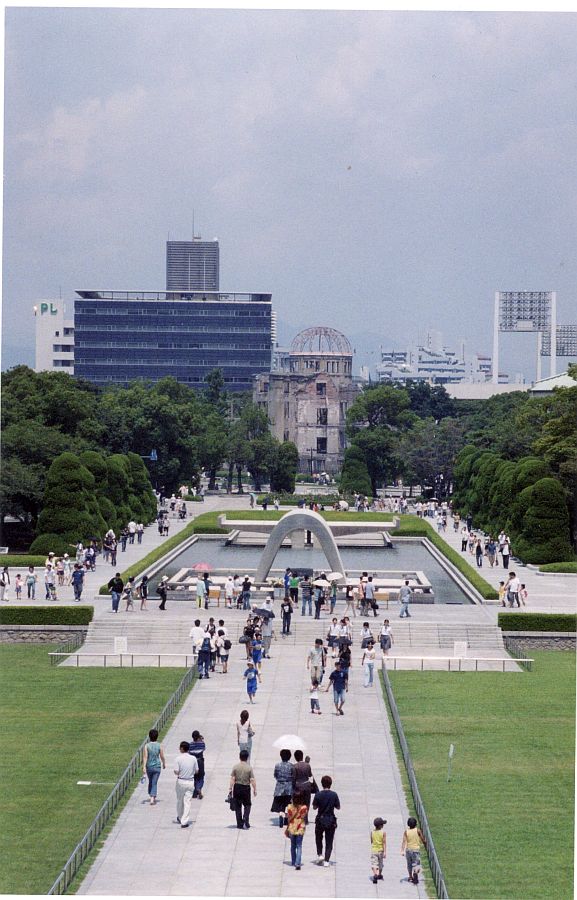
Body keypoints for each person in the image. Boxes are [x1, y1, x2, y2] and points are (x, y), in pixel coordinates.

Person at [312, 774, 340, 866]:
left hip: (320, 819)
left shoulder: (318, 794)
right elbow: (338, 807)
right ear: (330, 784)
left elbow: (314, 807)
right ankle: (327, 860)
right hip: (330, 820)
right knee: (329, 840)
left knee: (318, 838)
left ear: (322, 784)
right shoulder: (334, 795)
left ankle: (320, 854)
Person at [230, 749, 257, 830]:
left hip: (237, 787)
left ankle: (239, 823)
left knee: (238, 806)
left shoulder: (235, 767)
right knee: (247, 805)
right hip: (246, 788)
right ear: (247, 757)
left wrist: (230, 789)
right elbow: (252, 780)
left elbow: (232, 779)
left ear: (240, 757)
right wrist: (255, 789)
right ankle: (245, 817)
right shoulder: (249, 768)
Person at [174, 741, 198, 828]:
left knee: (180, 800)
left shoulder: (178, 759)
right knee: (187, 802)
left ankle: (180, 817)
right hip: (190, 781)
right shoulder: (193, 758)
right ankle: (184, 820)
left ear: (182, 748)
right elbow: (196, 771)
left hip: (181, 781)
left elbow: (176, 771)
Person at [142, 728, 166, 805]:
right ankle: (152, 796)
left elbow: (145, 757)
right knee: (154, 782)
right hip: (157, 766)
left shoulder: (147, 746)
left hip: (149, 766)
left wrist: (144, 767)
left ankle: (152, 796)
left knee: (152, 781)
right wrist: (164, 763)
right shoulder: (160, 745)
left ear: (149, 736)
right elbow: (162, 756)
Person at [271, 749, 294, 827]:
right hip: (289, 788)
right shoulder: (291, 766)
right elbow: (293, 776)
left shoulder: (277, 765)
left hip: (279, 788)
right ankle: (286, 818)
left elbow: (275, 775)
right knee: (288, 804)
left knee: (281, 804)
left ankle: (281, 814)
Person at [285, 791, 308, 869]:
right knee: (299, 846)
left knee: (292, 846)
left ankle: (293, 861)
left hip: (292, 828)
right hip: (300, 828)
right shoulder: (304, 807)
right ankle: (298, 863)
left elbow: (288, 819)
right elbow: (303, 817)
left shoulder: (289, 807)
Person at [401, 816, 426, 884]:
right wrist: (425, 844)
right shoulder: (418, 830)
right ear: (416, 824)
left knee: (409, 864)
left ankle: (410, 877)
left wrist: (402, 850)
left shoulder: (406, 832)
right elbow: (422, 839)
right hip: (416, 850)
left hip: (408, 850)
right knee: (416, 863)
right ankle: (415, 872)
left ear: (408, 824)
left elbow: (404, 841)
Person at [188, 730, 206, 799]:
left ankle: (194, 792)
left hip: (193, 762)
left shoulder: (190, 745)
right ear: (198, 736)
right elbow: (203, 749)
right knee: (201, 776)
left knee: (194, 776)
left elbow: (189, 752)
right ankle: (199, 788)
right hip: (200, 761)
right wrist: (201, 739)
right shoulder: (202, 744)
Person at [370, 817, 387, 883]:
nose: (383, 825)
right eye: (382, 824)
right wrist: (385, 852)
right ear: (380, 826)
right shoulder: (383, 832)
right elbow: (384, 842)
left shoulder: (372, 832)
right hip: (381, 850)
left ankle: (375, 874)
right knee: (380, 863)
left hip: (374, 850)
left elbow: (371, 841)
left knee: (374, 864)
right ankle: (379, 874)